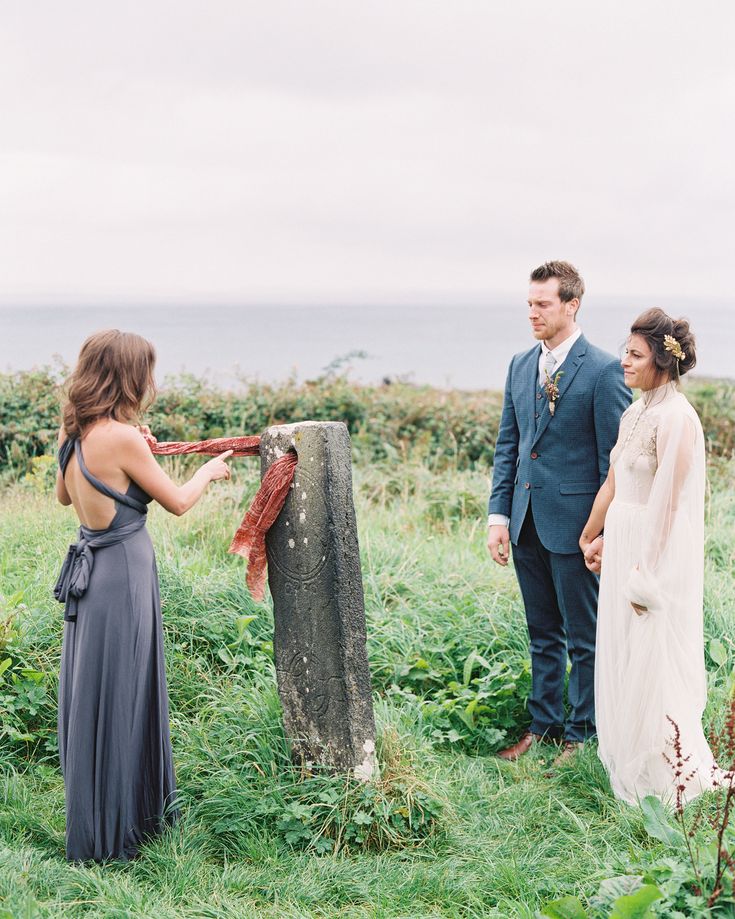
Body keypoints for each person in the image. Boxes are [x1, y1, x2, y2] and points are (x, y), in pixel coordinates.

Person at [54, 329, 233, 861]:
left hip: (90, 572)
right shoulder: (124, 437)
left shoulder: (74, 433)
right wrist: (208, 469)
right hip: (122, 574)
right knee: (126, 689)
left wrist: (136, 449)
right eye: (146, 371)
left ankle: (103, 820)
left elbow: (66, 495)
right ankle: (125, 831)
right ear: (128, 376)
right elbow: (177, 502)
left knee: (97, 692)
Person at [488, 261, 630, 764]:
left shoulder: (605, 370)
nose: (532, 313)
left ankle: (581, 734)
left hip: (577, 529)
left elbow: (613, 464)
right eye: (529, 303)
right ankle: (543, 728)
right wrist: (498, 517)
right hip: (525, 522)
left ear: (571, 305)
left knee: (585, 639)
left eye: (542, 304)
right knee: (542, 633)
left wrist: (602, 534)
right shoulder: (519, 365)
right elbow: (510, 444)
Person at [581, 309, 716, 804]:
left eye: (635, 355)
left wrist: (645, 574)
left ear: (661, 360)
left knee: (652, 658)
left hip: (651, 554)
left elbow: (667, 503)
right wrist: (592, 535)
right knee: (623, 649)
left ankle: (665, 772)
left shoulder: (677, 418)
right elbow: (616, 481)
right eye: (626, 352)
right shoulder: (633, 413)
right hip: (624, 538)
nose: (625, 362)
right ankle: (630, 751)